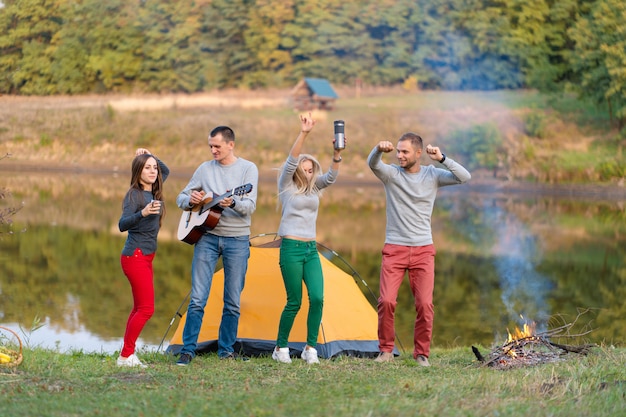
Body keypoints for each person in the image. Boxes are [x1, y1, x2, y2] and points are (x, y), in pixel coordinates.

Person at [367, 133, 471, 366]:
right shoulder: (391, 174)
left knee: (424, 304)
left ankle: (421, 354)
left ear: (418, 153)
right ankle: (385, 350)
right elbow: (372, 164)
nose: (400, 155)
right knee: (386, 301)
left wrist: (442, 158)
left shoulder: (432, 175)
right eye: (398, 151)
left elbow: (464, 177)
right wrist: (378, 149)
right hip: (394, 248)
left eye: (404, 152)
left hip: (423, 250)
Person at [175, 126, 258, 366]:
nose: (213, 150)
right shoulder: (204, 169)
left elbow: (249, 206)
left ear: (231, 145)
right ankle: (187, 350)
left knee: (232, 300)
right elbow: (181, 198)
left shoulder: (248, 169)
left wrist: (232, 203)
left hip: (237, 240)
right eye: (210, 146)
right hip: (206, 239)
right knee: (198, 298)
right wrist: (190, 199)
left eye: (217, 146)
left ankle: (226, 351)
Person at [272, 113, 344, 365]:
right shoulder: (286, 186)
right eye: (304, 168)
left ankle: (310, 348)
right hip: (290, 248)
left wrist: (336, 154)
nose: (307, 171)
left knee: (317, 297)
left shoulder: (315, 188)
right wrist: (305, 133)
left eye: (311, 169)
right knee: (294, 301)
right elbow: (291, 161)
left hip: (311, 250)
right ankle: (280, 347)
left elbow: (332, 177)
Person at [117, 148, 169, 368]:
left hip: (146, 256)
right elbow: (122, 224)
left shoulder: (154, 191)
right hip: (135, 255)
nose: (153, 171)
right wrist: (143, 214)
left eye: (153, 167)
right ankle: (126, 355)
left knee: (139, 308)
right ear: (138, 171)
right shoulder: (134, 195)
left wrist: (151, 155)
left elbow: (166, 170)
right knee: (147, 309)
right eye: (147, 167)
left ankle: (127, 354)